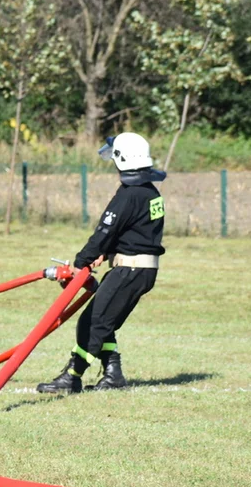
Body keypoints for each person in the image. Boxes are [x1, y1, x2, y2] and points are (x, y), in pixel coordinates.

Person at [37, 133, 166, 393]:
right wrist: (106, 254)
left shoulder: (129, 194)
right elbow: (135, 232)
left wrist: (81, 262)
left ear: (122, 158)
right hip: (138, 268)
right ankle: (113, 374)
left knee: (92, 321)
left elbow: (105, 231)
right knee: (105, 319)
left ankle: (72, 377)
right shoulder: (149, 192)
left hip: (130, 269)